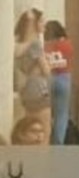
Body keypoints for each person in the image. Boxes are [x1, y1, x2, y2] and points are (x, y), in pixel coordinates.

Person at [14, 9, 51, 139]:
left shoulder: (18, 45)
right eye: (41, 21)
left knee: (29, 131)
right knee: (44, 132)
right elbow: (46, 70)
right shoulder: (35, 44)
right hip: (39, 89)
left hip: (25, 92)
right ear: (33, 24)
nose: (44, 24)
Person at [43, 21, 73, 145]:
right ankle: (58, 142)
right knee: (62, 114)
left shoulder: (45, 46)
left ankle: (45, 140)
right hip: (64, 77)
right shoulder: (67, 44)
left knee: (46, 112)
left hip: (48, 78)